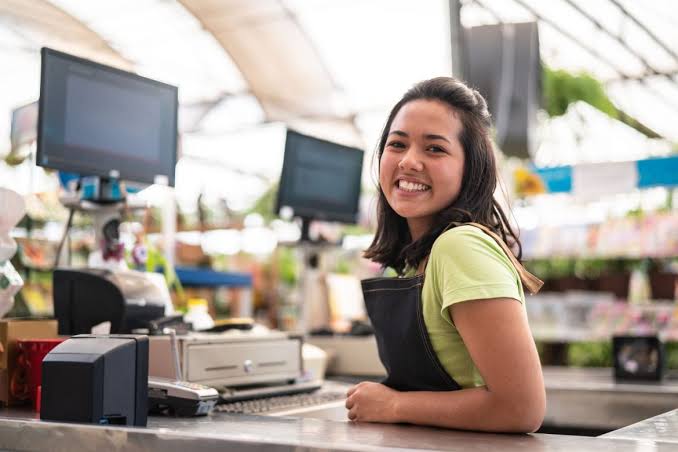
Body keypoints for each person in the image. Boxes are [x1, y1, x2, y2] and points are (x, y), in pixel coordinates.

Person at [345, 77, 546, 433]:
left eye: (434, 149)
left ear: (471, 168)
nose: (409, 161)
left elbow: (521, 407)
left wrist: (393, 403)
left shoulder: (460, 246)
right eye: (397, 144)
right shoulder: (417, 258)